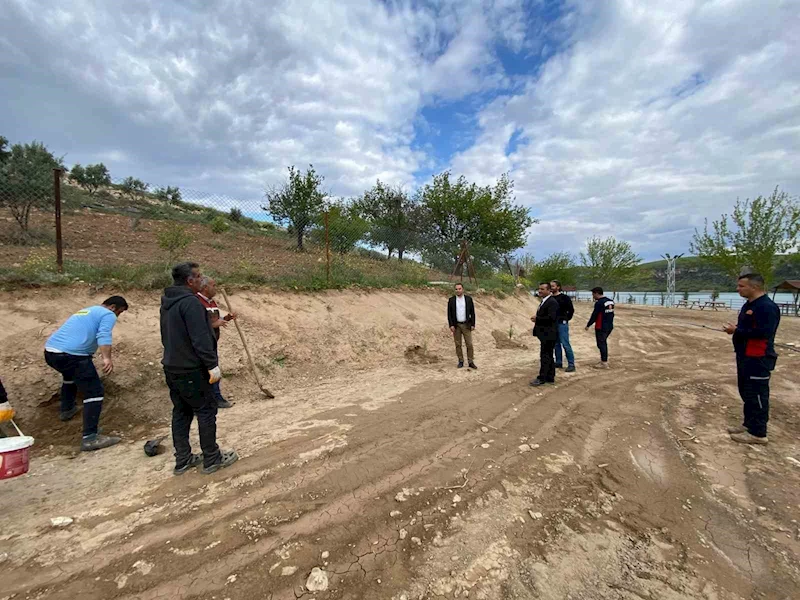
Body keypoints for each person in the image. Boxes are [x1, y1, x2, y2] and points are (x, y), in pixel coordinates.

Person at [161, 262, 238, 475]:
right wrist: (212, 365)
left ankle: (183, 459)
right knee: (206, 410)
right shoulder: (191, 303)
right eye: (198, 276)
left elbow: (165, 335)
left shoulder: (167, 302)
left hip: (172, 366)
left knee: (181, 411)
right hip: (192, 368)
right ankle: (212, 458)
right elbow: (201, 338)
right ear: (190, 280)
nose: (201, 279)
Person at [44, 296, 128, 451]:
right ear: (112, 307)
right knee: (94, 391)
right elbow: (104, 335)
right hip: (72, 355)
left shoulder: (87, 310)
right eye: (119, 312)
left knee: (70, 376)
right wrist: (107, 358)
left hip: (51, 352)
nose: (117, 316)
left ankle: (67, 409)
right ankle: (90, 438)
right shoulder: (108, 314)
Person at [723, 273, 780, 445]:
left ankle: (758, 433)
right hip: (745, 356)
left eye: (741, 286)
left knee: (758, 395)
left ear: (754, 287)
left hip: (758, 358)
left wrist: (736, 331)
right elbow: (748, 328)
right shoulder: (749, 305)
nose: (738, 289)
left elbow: (764, 332)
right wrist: (737, 330)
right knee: (747, 392)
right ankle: (749, 425)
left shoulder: (766, 307)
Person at [197, 277, 237, 409]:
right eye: (213, 285)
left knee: (214, 371)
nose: (216, 288)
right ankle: (212, 399)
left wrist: (227, 318)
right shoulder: (197, 302)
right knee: (207, 372)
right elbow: (197, 324)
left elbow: (215, 319)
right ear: (205, 287)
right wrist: (213, 325)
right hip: (201, 345)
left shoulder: (211, 302)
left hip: (212, 343)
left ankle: (215, 398)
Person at [530, 282, 559, 386]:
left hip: (548, 334)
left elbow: (551, 318)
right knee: (548, 356)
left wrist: (537, 319)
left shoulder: (552, 302)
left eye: (542, 289)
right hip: (545, 333)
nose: (540, 291)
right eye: (539, 289)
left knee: (545, 356)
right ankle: (550, 377)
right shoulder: (545, 301)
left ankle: (542, 377)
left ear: (549, 290)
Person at [447, 283, 477, 369]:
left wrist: (473, 324)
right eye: (456, 289)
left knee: (469, 344)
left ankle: (470, 361)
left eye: (459, 289)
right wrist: (451, 325)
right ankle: (461, 361)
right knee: (458, 344)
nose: (458, 290)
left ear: (463, 289)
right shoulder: (451, 300)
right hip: (456, 325)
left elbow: (472, 313)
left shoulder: (468, 299)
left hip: (466, 325)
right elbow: (449, 314)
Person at [585, 287, 615, 368]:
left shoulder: (599, 303)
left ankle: (604, 362)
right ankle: (603, 360)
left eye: (593, 294)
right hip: (609, 325)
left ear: (597, 293)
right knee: (602, 343)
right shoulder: (610, 301)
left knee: (601, 344)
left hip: (601, 326)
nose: (593, 296)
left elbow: (594, 315)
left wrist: (588, 325)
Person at [550, 280, 576, 372]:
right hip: (553, 324)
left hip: (562, 323)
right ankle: (558, 362)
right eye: (550, 286)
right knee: (556, 344)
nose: (551, 287)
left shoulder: (564, 298)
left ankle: (571, 364)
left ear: (558, 287)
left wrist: (566, 319)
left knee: (565, 343)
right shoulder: (550, 298)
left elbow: (571, 310)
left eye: (553, 286)